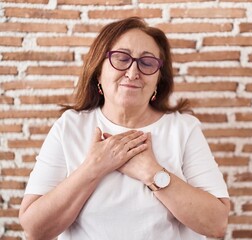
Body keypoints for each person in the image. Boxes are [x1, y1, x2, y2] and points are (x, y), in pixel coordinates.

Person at [19, 17, 230, 240]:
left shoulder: (183, 129)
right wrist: (94, 167)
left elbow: (216, 224)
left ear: (158, 80)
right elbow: (34, 229)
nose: (132, 73)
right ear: (98, 71)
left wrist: (152, 172)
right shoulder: (70, 127)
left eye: (147, 63)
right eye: (121, 59)